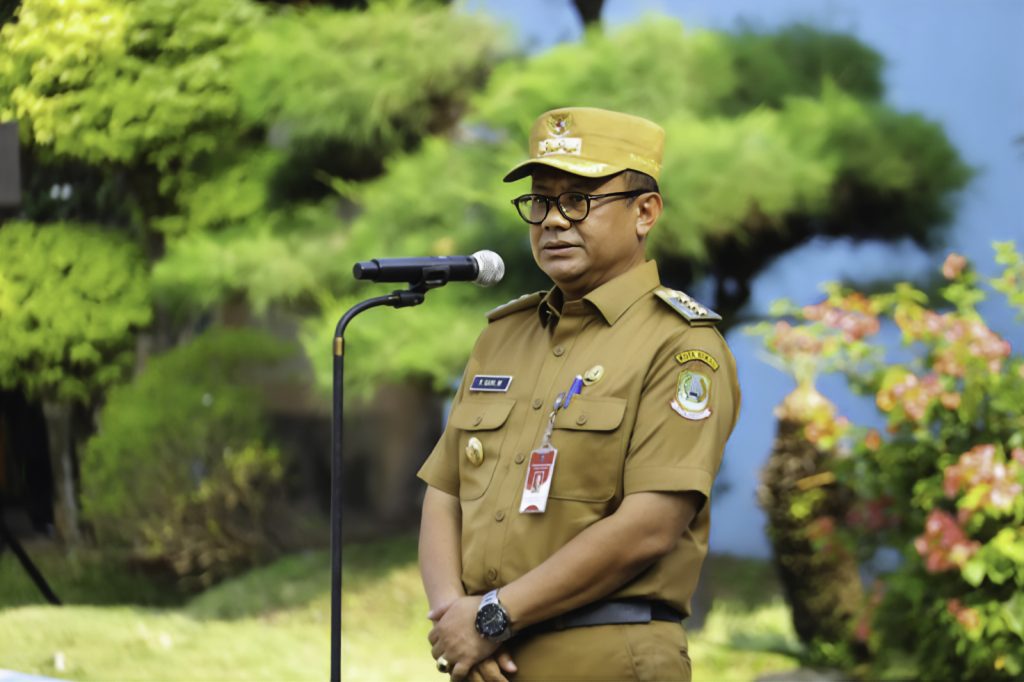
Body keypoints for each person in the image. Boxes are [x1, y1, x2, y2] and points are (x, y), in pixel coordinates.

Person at [417, 106, 740, 681]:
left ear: (646, 212)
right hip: (484, 663)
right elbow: (445, 491)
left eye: (578, 200)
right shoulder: (502, 337)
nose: (553, 221)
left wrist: (493, 617)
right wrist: (453, 619)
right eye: (541, 201)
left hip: (608, 657)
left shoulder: (680, 346)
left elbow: (650, 525)